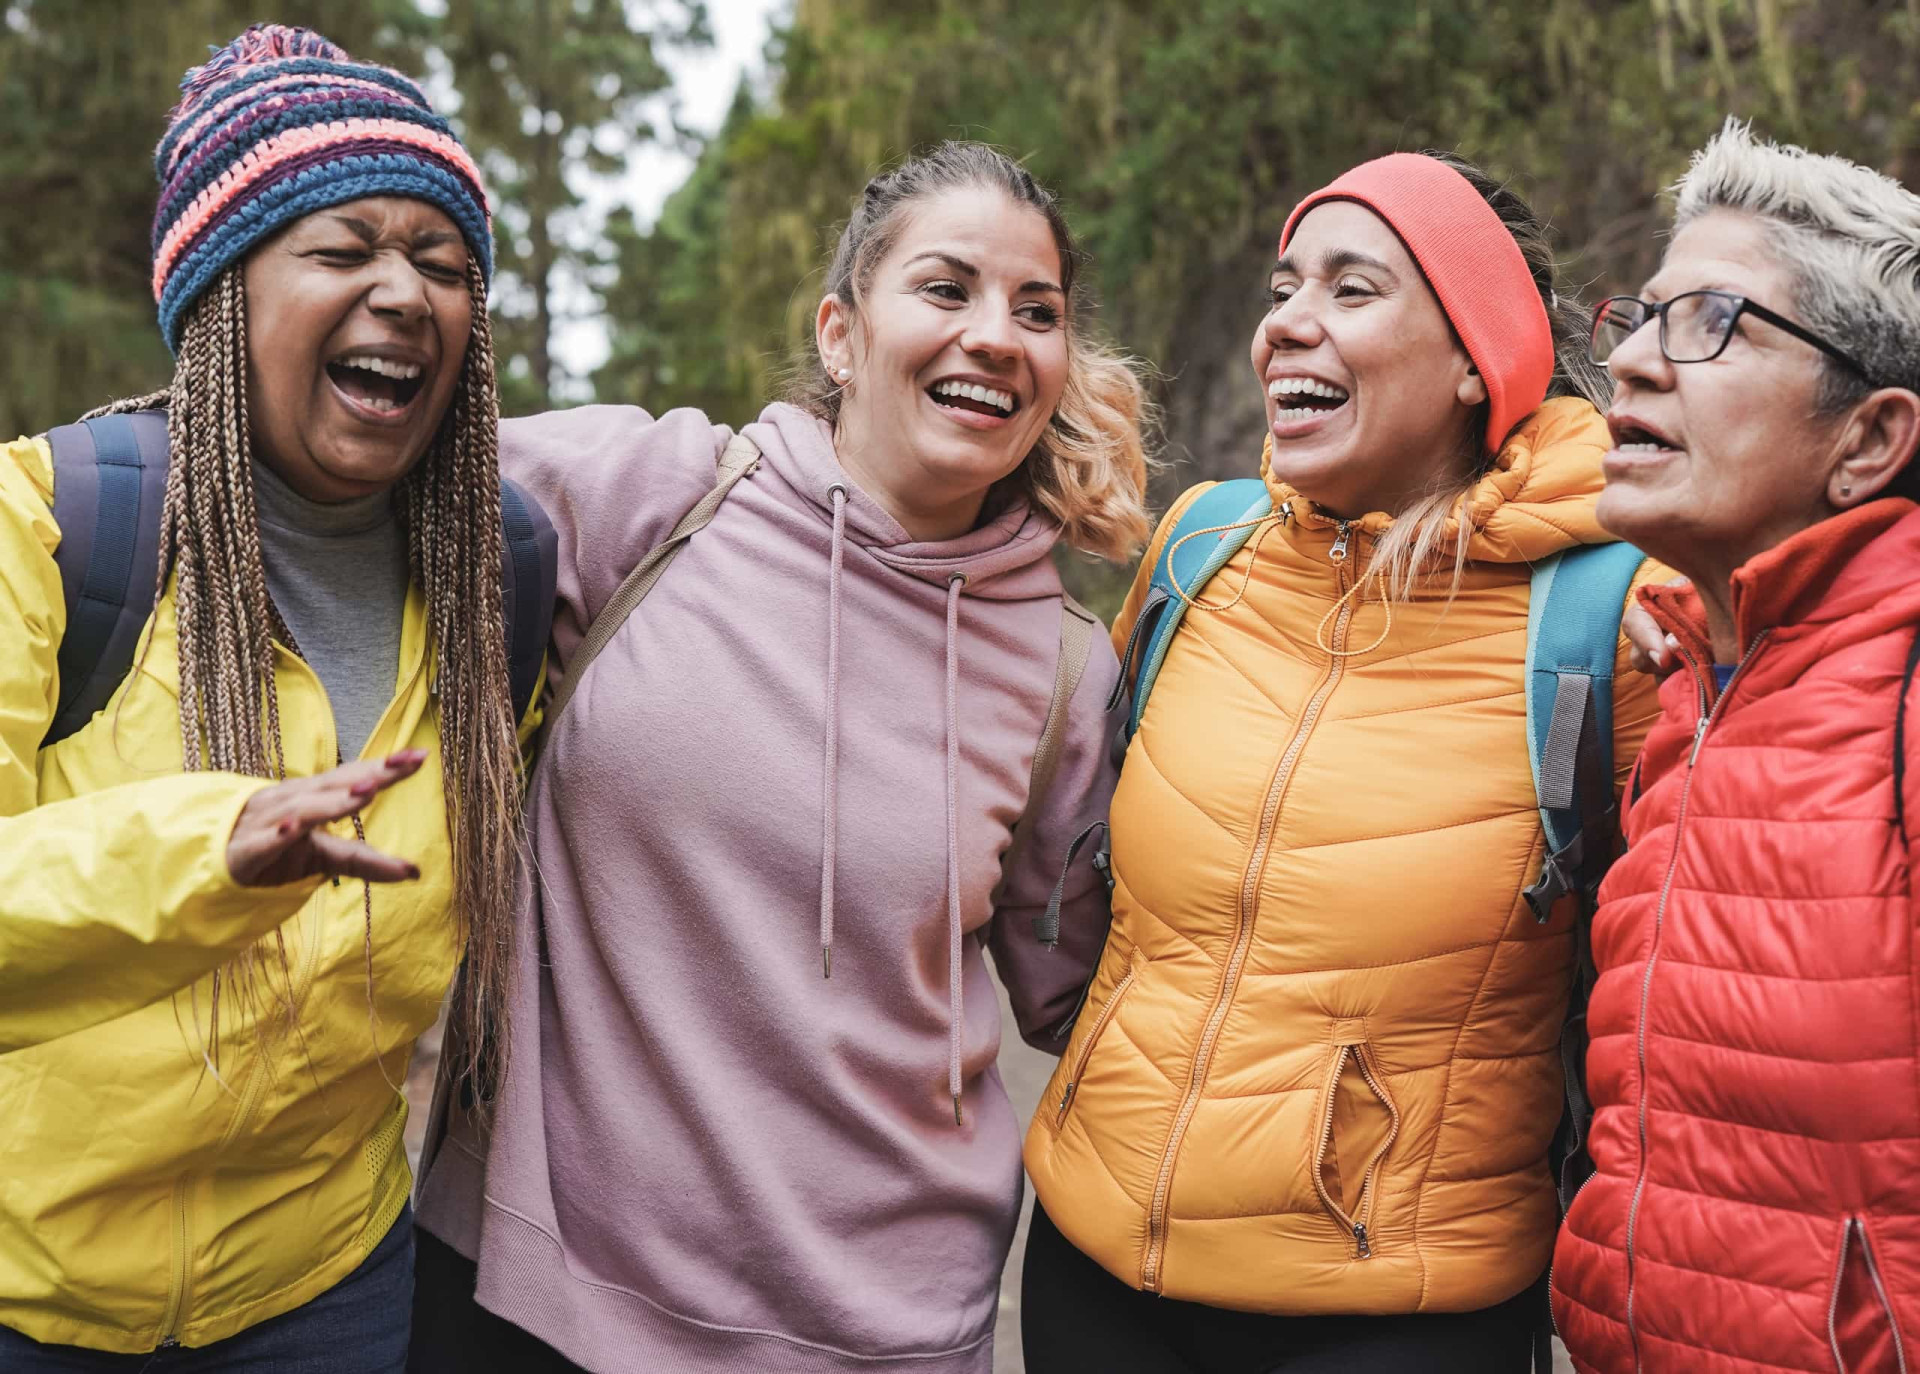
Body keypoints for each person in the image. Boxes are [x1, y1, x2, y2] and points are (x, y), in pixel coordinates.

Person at [408, 142, 1152, 1374]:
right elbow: (355, 464)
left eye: (1039, 312)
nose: (996, 336)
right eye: (945, 289)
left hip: (877, 1327)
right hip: (532, 1288)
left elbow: (1088, 999)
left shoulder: (1067, 671)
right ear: (842, 335)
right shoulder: (653, 497)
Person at [1019, 151, 1668, 1373]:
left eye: (1352, 289)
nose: (1286, 327)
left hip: (1395, 1311)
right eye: (1281, 288)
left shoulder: (1612, 613)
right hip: (1090, 1260)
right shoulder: (1201, 550)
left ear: (1479, 358)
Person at [0, 25, 530, 1370]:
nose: (408, 294)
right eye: (344, 250)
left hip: (329, 1287)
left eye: (445, 261)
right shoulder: (56, 530)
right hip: (32, 1291)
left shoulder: (500, 577)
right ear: (226, 296)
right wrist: (209, 850)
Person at [1550, 120, 1920, 1374]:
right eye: (1641, 318)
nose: (1635, 367)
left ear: (1868, 442)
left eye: (1712, 322)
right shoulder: (1692, 694)